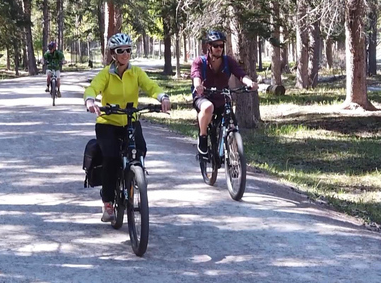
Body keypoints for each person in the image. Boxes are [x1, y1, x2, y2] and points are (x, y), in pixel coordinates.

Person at [84, 33, 171, 222]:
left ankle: (133, 178)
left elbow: (151, 86)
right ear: (113, 54)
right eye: (120, 51)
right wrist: (90, 100)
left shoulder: (136, 72)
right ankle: (108, 201)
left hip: (130, 121)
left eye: (128, 50)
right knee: (111, 157)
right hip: (108, 123)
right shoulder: (106, 73)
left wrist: (162, 97)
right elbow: (92, 88)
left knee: (141, 149)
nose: (125, 54)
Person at [191, 30, 258, 156]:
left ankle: (233, 150)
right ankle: (203, 137)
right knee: (208, 107)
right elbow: (196, 75)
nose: (219, 48)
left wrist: (250, 83)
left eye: (221, 45)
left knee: (230, 119)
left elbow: (240, 74)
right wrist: (198, 85)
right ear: (209, 47)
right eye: (216, 46)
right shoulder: (199, 61)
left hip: (221, 97)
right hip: (204, 96)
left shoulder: (228, 61)